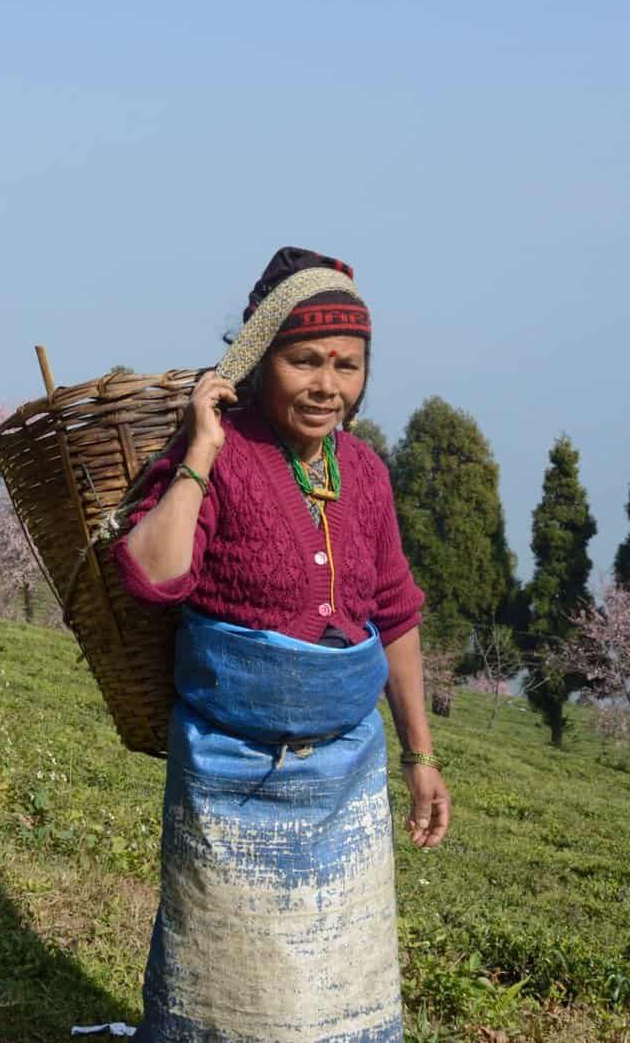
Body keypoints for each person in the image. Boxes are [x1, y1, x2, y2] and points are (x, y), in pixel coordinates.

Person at [112, 247, 451, 1042]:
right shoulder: (217, 457)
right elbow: (153, 575)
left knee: (336, 981)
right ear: (260, 359)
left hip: (346, 776)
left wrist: (421, 755)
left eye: (347, 365)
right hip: (231, 775)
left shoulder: (365, 473)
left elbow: (395, 615)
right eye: (305, 361)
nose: (328, 385)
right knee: (230, 983)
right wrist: (199, 445)